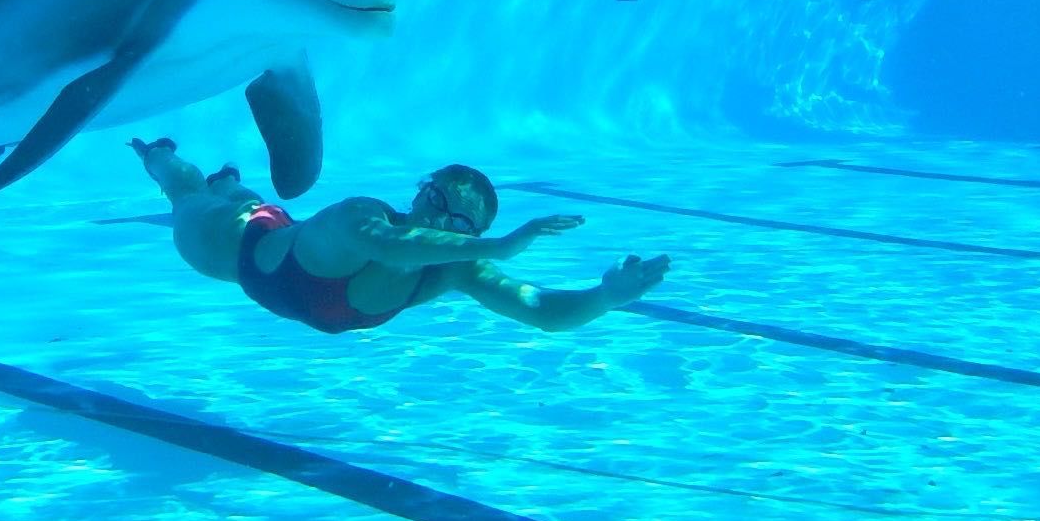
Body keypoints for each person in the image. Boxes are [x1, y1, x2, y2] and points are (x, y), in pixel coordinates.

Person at [129, 137, 672, 335]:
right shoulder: (362, 216)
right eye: (436, 198)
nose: (437, 218)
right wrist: (500, 245)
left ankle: (230, 182)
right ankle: (155, 153)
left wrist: (605, 297)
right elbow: (390, 246)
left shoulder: (454, 269)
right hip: (236, 249)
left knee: (252, 201)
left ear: (469, 233)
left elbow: (542, 310)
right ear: (419, 193)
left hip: (285, 235)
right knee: (186, 191)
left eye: (457, 220)